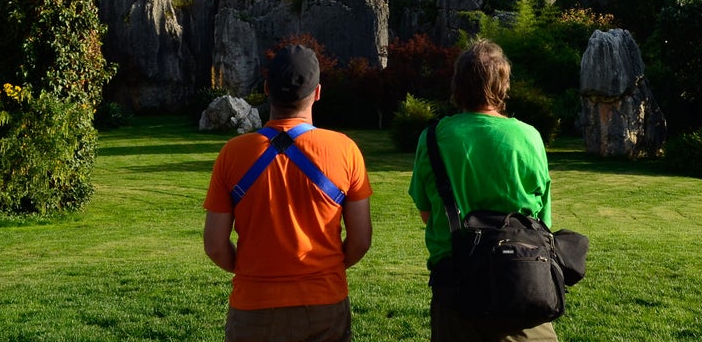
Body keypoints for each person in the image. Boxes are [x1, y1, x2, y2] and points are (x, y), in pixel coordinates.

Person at [203, 44, 373, 342]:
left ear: (266, 89)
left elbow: (215, 245)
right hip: (324, 302)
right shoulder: (345, 149)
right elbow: (360, 240)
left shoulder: (232, 153)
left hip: (254, 305)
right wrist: (326, 269)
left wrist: (248, 271)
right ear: (318, 92)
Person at [408, 39, 558, 342]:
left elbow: (428, 213)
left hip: (456, 288)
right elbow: (543, 219)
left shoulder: (434, 137)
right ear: (503, 84)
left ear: (457, 84)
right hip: (523, 280)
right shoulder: (529, 136)